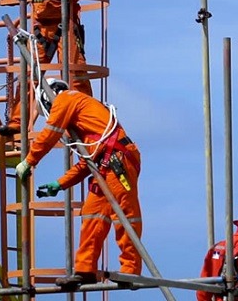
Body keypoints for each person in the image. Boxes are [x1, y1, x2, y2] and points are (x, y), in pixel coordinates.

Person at [15, 78, 142, 287]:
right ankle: (85, 270)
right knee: (92, 215)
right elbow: (87, 161)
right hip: (105, 163)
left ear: (48, 100)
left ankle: (131, 269)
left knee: (125, 216)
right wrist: (60, 184)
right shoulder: (82, 115)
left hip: (118, 161)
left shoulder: (66, 99)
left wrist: (30, 161)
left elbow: (49, 134)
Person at [0, 0, 92, 136]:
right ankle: (18, 121)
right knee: (29, 74)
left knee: (75, 72)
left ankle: (85, 119)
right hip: (42, 29)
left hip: (65, 25)